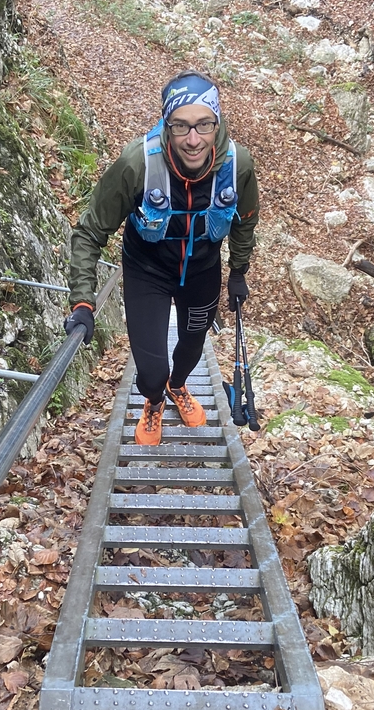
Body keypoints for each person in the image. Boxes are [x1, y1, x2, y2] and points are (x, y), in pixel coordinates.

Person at [64, 71, 260, 445]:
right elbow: (90, 231)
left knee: (191, 347)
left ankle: (178, 385)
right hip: (147, 270)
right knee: (151, 371)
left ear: (217, 121)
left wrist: (239, 271)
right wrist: (83, 302)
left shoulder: (238, 166)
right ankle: (154, 398)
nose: (193, 139)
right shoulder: (137, 163)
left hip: (202, 270)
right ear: (167, 124)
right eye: (180, 126)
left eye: (204, 124)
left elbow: (245, 220)